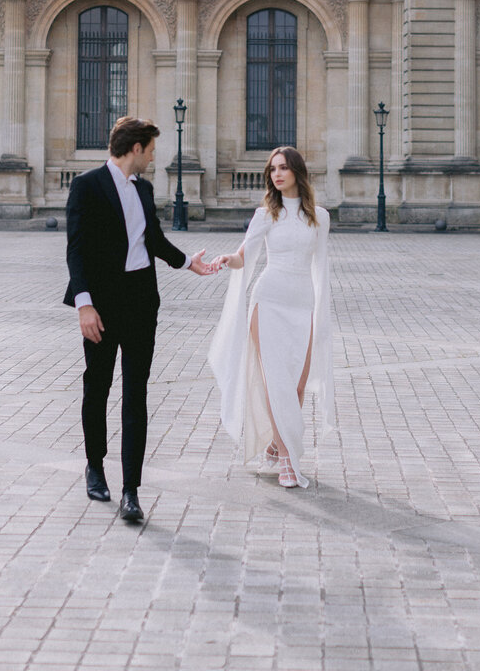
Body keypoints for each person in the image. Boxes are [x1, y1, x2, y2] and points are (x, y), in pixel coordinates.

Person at [64, 116, 214, 522]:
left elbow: (154, 241)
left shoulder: (144, 189)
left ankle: (131, 490)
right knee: (97, 387)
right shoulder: (87, 185)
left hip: (140, 305)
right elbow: (75, 250)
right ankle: (95, 466)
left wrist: (188, 264)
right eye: (151, 149)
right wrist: (84, 305)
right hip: (100, 307)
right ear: (136, 148)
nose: (152, 157)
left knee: (136, 395)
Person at [208, 147, 334, 489]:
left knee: (297, 384)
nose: (277, 174)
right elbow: (244, 255)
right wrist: (226, 259)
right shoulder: (266, 214)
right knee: (276, 383)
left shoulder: (319, 217)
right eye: (273, 169)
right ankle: (289, 462)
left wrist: (321, 314)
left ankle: (277, 445)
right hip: (268, 300)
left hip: (303, 302)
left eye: (283, 168)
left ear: (297, 171)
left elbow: (321, 268)